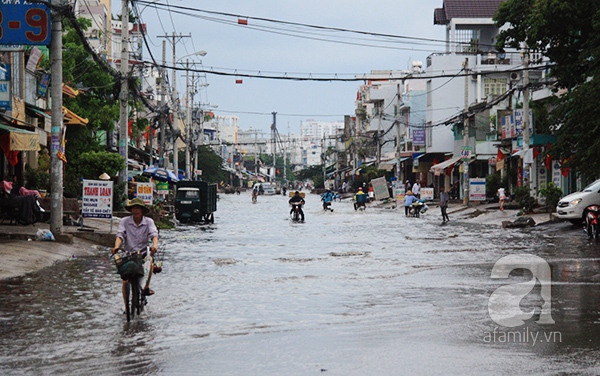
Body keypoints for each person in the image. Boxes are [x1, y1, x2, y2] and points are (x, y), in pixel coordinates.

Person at [112, 198, 159, 309]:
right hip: (129, 254)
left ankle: (146, 288)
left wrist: (154, 246)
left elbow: (154, 235)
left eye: (138, 208)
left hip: (143, 253)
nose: (135, 210)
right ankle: (126, 307)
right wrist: (116, 247)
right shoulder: (125, 221)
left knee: (150, 261)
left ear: (142, 210)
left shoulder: (148, 222)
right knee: (125, 281)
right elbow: (120, 235)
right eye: (133, 208)